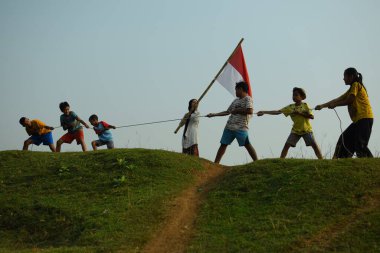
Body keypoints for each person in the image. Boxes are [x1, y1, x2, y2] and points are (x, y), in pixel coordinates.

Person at [315, 67, 374, 158]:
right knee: (345, 138)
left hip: (365, 118)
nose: (343, 79)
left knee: (360, 144)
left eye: (345, 76)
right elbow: (337, 99)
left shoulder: (356, 84)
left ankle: (369, 162)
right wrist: (322, 106)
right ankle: (339, 159)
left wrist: (335, 105)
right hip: (358, 120)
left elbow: (350, 100)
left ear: (351, 76)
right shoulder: (351, 89)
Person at [257, 87, 323, 159]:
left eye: (296, 95)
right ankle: (281, 160)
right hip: (295, 130)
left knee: (314, 145)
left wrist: (300, 113)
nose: (294, 97)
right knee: (287, 145)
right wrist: (264, 112)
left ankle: (322, 160)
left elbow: (311, 117)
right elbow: (278, 112)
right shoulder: (290, 107)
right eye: (293, 95)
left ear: (301, 97)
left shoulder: (305, 106)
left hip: (306, 130)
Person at [207, 81, 258, 164]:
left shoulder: (248, 99)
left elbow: (250, 111)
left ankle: (256, 162)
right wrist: (214, 114)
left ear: (241, 89)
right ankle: (216, 163)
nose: (235, 92)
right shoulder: (235, 101)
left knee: (247, 144)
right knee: (223, 144)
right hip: (229, 127)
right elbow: (227, 112)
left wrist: (237, 110)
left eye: (236, 90)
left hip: (241, 128)